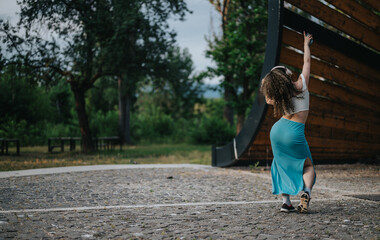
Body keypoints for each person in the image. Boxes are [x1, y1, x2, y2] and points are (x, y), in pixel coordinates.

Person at [260, 32, 315, 213]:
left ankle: (286, 203)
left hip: (278, 131)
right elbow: (306, 63)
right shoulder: (302, 84)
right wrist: (306, 44)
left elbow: (268, 100)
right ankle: (306, 192)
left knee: (280, 164)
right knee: (307, 165)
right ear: (286, 76)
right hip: (294, 132)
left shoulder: (279, 95)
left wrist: (265, 84)